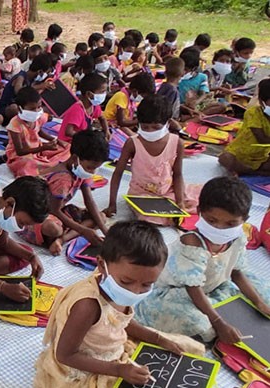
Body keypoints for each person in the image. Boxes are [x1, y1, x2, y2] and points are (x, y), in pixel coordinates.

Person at [34, 221, 205, 388]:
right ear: (101, 265)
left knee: (186, 349)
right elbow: (65, 355)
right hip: (84, 366)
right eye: (126, 282)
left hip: (114, 348)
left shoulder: (116, 284)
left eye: (146, 285)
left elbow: (121, 320)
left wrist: (158, 339)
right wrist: (118, 370)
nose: (135, 291)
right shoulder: (87, 306)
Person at [136, 177, 270, 343]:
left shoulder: (237, 238)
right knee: (199, 324)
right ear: (199, 211)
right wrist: (218, 322)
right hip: (179, 291)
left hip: (216, 284)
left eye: (230, 223)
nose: (219, 228)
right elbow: (193, 288)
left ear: (245, 220)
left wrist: (259, 303)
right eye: (212, 220)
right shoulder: (192, 242)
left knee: (264, 294)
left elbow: (236, 273)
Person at [106, 94, 199, 226]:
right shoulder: (132, 143)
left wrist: (180, 202)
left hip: (168, 191)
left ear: (168, 123)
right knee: (148, 218)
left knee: (195, 202)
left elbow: (177, 174)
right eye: (144, 127)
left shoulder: (176, 142)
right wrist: (112, 204)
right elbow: (118, 173)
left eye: (156, 127)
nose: (150, 131)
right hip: (141, 194)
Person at [19, 130, 109, 255]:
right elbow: (53, 210)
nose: (93, 172)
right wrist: (83, 230)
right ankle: (59, 237)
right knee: (53, 229)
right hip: (38, 214)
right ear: (75, 159)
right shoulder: (62, 179)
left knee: (101, 217)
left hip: (59, 211)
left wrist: (105, 231)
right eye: (90, 167)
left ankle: (61, 240)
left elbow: (89, 201)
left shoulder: (81, 170)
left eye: (96, 168)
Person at [6, 87, 71, 177]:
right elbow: (20, 151)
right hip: (21, 156)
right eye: (32, 109)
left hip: (38, 151)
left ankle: (49, 166)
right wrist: (43, 148)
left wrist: (55, 140)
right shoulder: (15, 124)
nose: (37, 111)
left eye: (39, 107)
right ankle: (51, 168)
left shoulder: (37, 118)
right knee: (27, 164)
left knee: (68, 147)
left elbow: (39, 131)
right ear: (20, 108)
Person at [219, 79, 270, 176]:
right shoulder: (253, 113)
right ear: (261, 101)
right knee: (226, 159)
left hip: (261, 157)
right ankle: (254, 172)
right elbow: (261, 139)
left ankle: (251, 171)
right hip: (240, 154)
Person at [0, 53, 55, 123]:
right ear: (40, 71)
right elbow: (19, 91)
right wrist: (40, 86)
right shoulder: (21, 77)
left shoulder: (33, 80)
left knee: (45, 109)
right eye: (46, 72)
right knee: (14, 108)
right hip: (7, 110)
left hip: (23, 108)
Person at [58, 74, 110, 143]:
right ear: (89, 94)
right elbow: (68, 132)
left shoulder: (94, 105)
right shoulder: (77, 109)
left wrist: (107, 131)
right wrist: (88, 139)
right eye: (102, 92)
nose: (104, 94)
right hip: (68, 142)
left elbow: (102, 118)